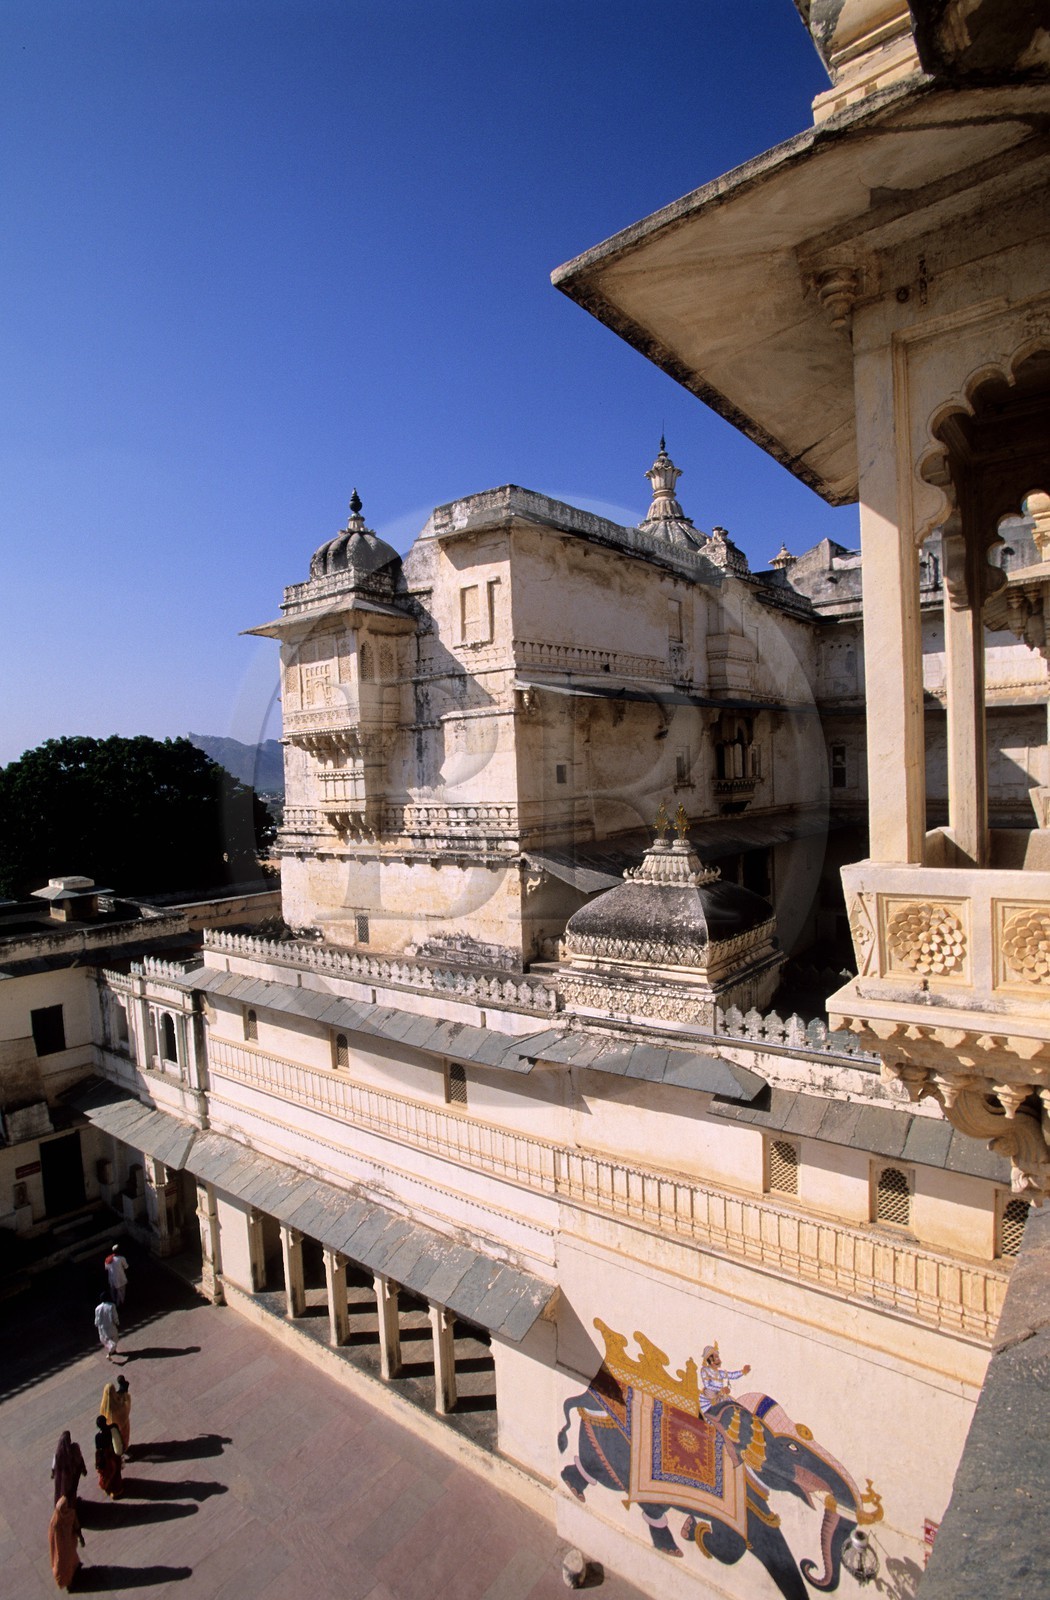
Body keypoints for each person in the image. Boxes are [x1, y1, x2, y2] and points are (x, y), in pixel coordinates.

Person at [698, 1343, 751, 1414]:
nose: (719, 1360)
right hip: (709, 1398)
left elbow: (732, 1375)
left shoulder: (720, 1373)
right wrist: (721, 1390)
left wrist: (743, 1371)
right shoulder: (705, 1370)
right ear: (710, 1359)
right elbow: (707, 1386)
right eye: (716, 1357)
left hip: (721, 1396)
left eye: (718, 1357)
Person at [48, 1494, 85, 1591]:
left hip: (69, 1542)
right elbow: (53, 1535)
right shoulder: (56, 1521)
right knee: (62, 1562)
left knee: (71, 1557)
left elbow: (76, 1525)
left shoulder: (70, 1513)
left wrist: (80, 1537)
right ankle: (67, 1580)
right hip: (61, 1545)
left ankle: (73, 1572)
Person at [50, 1432, 87, 1508]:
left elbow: (53, 1468)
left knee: (59, 1492)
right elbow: (79, 1460)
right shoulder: (74, 1449)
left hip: (60, 1479)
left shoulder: (58, 1454)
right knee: (71, 1493)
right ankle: (71, 1509)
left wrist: (53, 1474)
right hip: (71, 1478)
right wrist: (83, 1470)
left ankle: (61, 1509)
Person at [100, 1375, 131, 1457]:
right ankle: (124, 1448)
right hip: (122, 1426)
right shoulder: (118, 1404)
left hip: (111, 1428)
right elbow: (125, 1409)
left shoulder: (104, 1404)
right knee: (123, 1437)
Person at [94, 1413, 122, 1499]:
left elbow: (98, 1449)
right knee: (116, 1471)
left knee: (108, 1473)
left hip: (106, 1456)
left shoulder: (98, 1436)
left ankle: (111, 1489)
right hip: (114, 1453)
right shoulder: (113, 1428)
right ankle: (118, 1488)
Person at [94, 1296, 120, 1361]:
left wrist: (96, 1324)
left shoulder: (97, 1308)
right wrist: (117, 1322)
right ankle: (110, 1353)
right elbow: (115, 1316)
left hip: (102, 1328)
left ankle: (112, 1351)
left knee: (107, 1340)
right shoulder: (111, 1306)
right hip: (110, 1326)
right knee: (114, 1340)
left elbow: (97, 1319)